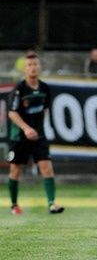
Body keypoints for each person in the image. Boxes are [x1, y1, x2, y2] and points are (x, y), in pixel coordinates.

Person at [7, 53, 64, 215]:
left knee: (46, 167)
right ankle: (14, 205)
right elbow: (12, 113)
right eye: (29, 65)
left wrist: (38, 129)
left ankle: (52, 204)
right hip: (19, 137)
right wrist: (26, 128)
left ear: (40, 67)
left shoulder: (45, 88)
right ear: (24, 69)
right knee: (15, 171)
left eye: (35, 64)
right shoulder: (19, 90)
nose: (33, 67)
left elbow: (44, 109)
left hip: (39, 136)